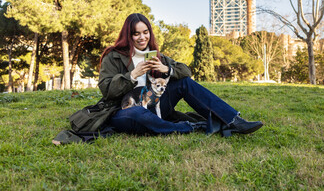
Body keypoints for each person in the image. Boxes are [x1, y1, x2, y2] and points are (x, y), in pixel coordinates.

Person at [98, 13, 263, 137]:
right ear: (129, 35)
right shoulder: (113, 56)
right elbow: (106, 89)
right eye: (136, 33)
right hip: (124, 110)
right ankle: (192, 127)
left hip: (153, 104)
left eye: (145, 32)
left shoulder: (155, 55)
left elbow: (186, 71)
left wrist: (166, 69)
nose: (142, 37)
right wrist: (132, 75)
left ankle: (233, 120)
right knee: (137, 113)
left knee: (184, 82)